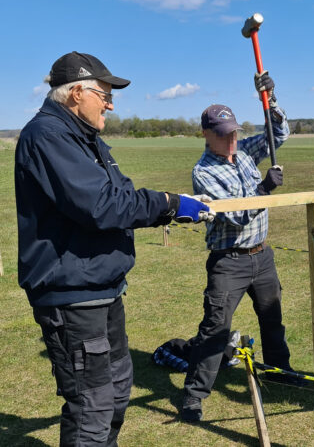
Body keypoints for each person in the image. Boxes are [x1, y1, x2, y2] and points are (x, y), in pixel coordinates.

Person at [14, 51, 214, 446]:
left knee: (118, 390)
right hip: (72, 296)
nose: (110, 103)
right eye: (103, 94)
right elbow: (102, 206)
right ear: (75, 94)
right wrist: (170, 204)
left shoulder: (87, 139)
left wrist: (163, 208)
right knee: (92, 406)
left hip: (102, 289)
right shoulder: (49, 137)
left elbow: (118, 196)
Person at [180, 71, 299, 422]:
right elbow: (238, 215)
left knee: (272, 319)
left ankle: (281, 374)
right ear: (206, 135)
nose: (232, 140)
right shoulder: (204, 172)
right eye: (223, 135)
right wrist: (264, 189)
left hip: (262, 256)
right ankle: (194, 396)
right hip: (228, 262)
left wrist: (270, 101)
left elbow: (279, 134)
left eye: (234, 133)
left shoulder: (244, 152)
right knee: (215, 329)